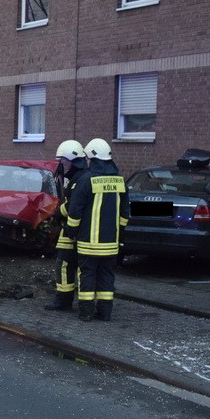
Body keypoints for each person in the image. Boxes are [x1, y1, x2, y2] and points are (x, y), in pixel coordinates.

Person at [65, 138, 129, 322]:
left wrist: (71, 232)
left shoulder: (87, 180)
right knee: (106, 277)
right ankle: (105, 312)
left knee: (87, 275)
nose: (86, 161)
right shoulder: (120, 180)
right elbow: (125, 212)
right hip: (111, 244)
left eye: (87, 158)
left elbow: (75, 211)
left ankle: (86, 312)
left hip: (88, 243)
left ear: (92, 158)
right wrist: (120, 232)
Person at [44, 140, 88, 311]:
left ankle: (63, 301)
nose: (61, 164)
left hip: (73, 231)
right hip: (77, 231)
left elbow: (73, 206)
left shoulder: (80, 180)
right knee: (70, 266)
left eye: (63, 161)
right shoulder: (79, 177)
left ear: (72, 160)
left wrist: (57, 213)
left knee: (64, 265)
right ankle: (72, 301)